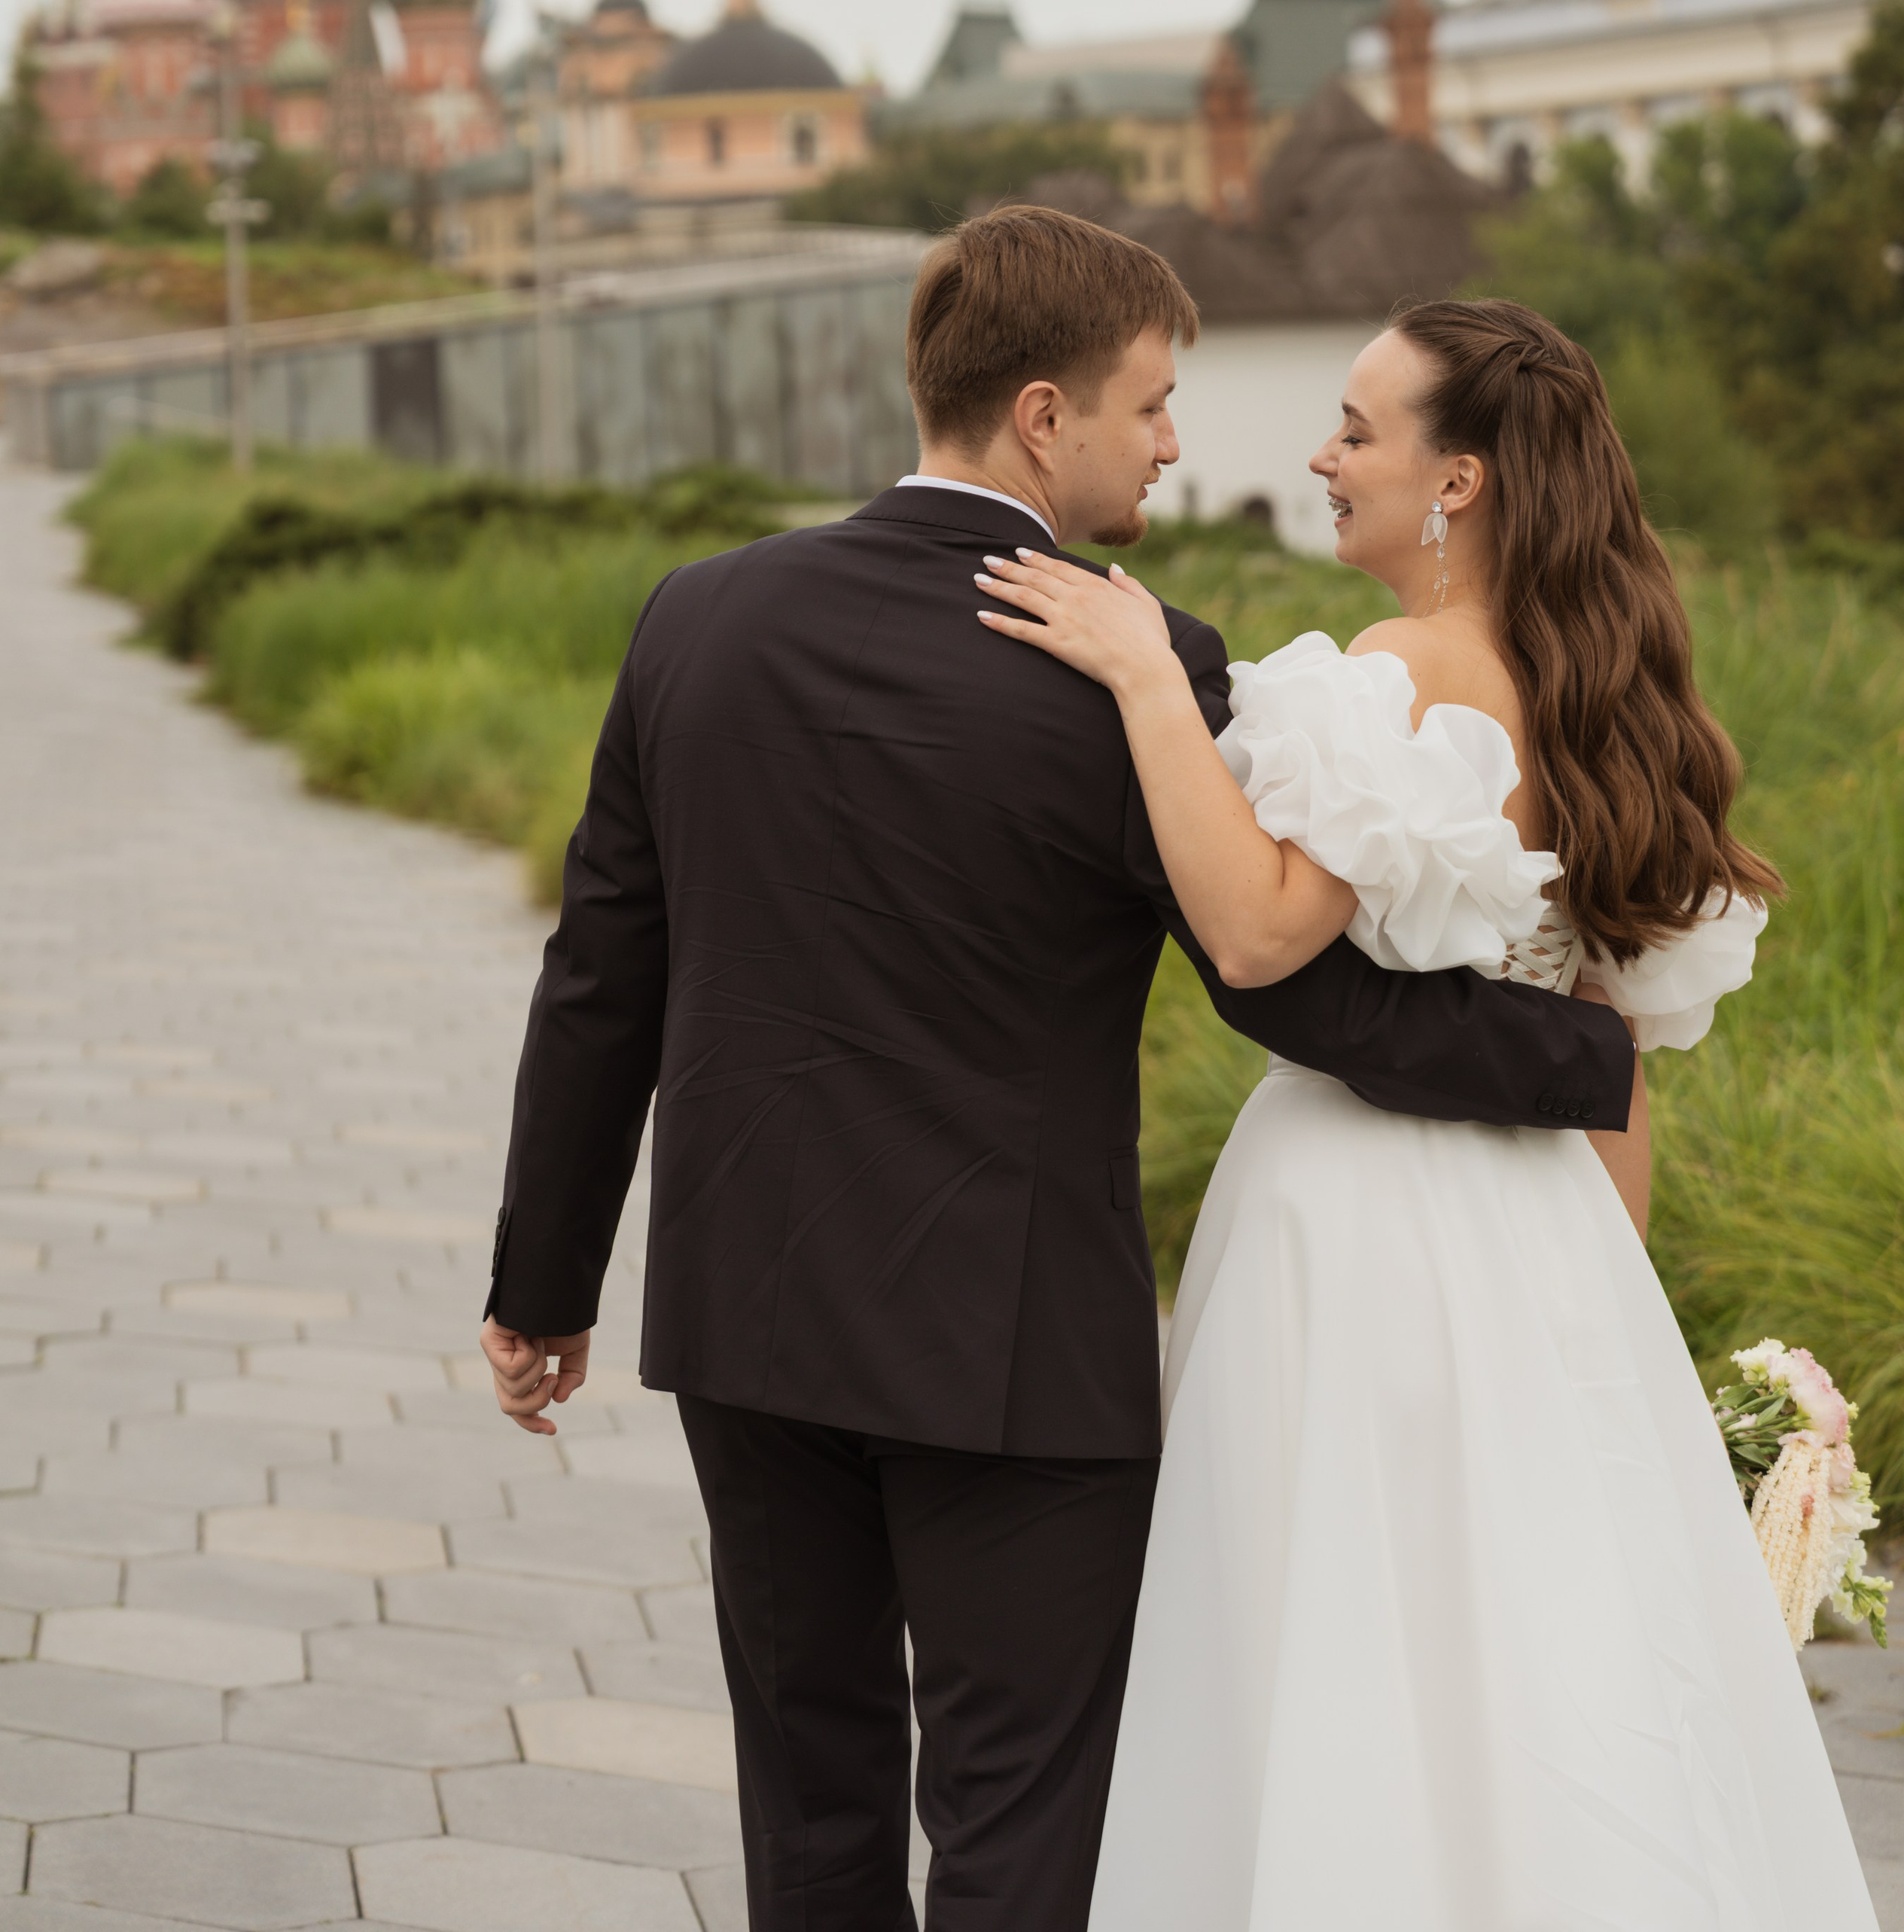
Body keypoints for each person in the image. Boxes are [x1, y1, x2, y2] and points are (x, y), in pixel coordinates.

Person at [480, 213, 1633, 1932]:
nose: (1171, 442)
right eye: (1149, 403)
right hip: (1011, 1347)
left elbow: (601, 978)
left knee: (811, 1812)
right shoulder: (1131, 657)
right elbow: (1288, 992)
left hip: (748, 1319)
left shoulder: (698, 616)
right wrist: (1583, 1049)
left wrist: (541, 1285)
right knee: (1022, 1827)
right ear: (1042, 417)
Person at [974, 294, 1878, 1932]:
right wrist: (1609, 1322)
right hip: (1542, 1236)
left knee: (1335, 1633)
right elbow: (1604, 1057)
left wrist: (1147, 681)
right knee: (1540, 1647)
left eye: (1355, 430)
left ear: (1456, 480)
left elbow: (1257, 935)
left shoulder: (1395, 678)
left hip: (1356, 1230)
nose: (1322, 458)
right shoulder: (1597, 697)